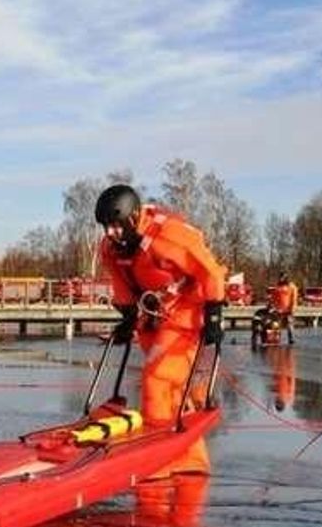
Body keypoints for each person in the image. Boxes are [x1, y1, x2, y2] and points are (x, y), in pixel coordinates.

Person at [96, 184, 226, 477]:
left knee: (156, 380)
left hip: (185, 314)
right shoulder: (111, 249)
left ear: (133, 217)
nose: (110, 233)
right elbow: (122, 284)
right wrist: (127, 320)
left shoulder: (169, 236)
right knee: (171, 386)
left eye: (116, 226)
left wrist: (214, 317)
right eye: (106, 227)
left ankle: (158, 460)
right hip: (153, 315)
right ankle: (191, 461)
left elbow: (211, 272)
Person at [269, 271, 298, 345]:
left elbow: (294, 298)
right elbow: (274, 297)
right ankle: (275, 339)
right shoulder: (277, 287)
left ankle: (291, 339)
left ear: (285, 278)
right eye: (280, 277)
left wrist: (292, 309)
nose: (280, 279)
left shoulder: (291, 286)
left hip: (288, 309)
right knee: (276, 325)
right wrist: (272, 306)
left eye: (282, 277)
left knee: (289, 325)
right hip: (278, 310)